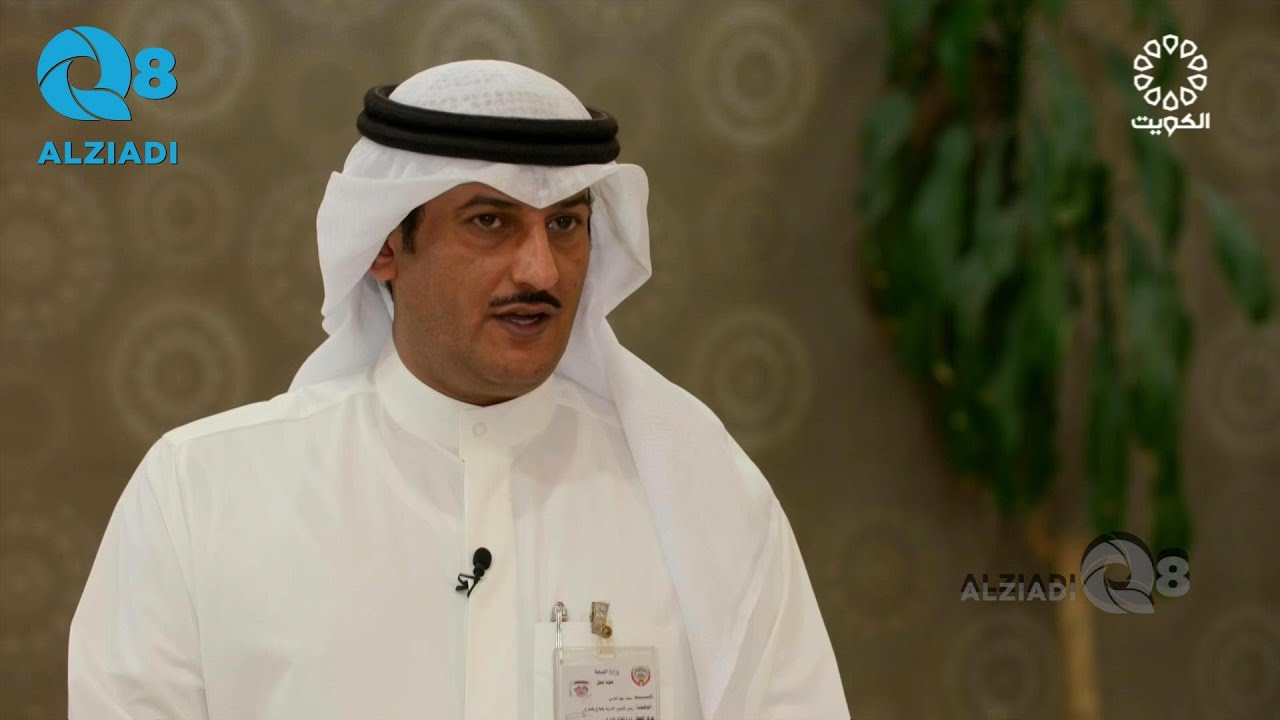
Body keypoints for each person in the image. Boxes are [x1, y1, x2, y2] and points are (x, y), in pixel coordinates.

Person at [68, 59, 849, 720]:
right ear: (384, 246)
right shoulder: (202, 493)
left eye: (565, 224)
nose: (540, 270)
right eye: (489, 222)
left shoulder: (704, 498)